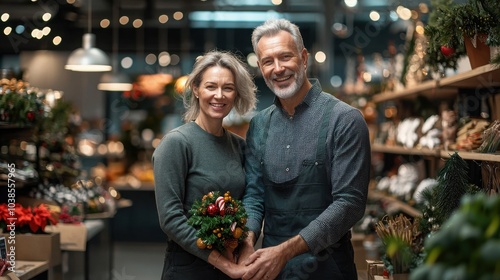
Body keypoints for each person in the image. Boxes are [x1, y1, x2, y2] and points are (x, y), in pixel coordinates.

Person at [239, 19, 371, 280]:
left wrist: (285, 252)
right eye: (267, 61)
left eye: (285, 57)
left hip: (329, 270)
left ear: (303, 57)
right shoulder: (259, 125)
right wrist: (247, 239)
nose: (277, 68)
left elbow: (349, 204)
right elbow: (254, 196)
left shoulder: (344, 120)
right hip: (271, 270)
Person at [153, 50, 257, 280]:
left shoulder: (239, 146)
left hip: (233, 263)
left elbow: (251, 197)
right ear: (196, 90)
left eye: (228, 88)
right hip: (188, 269)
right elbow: (170, 219)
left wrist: (245, 242)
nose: (219, 95)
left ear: (236, 94)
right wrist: (224, 264)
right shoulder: (176, 143)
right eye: (211, 86)